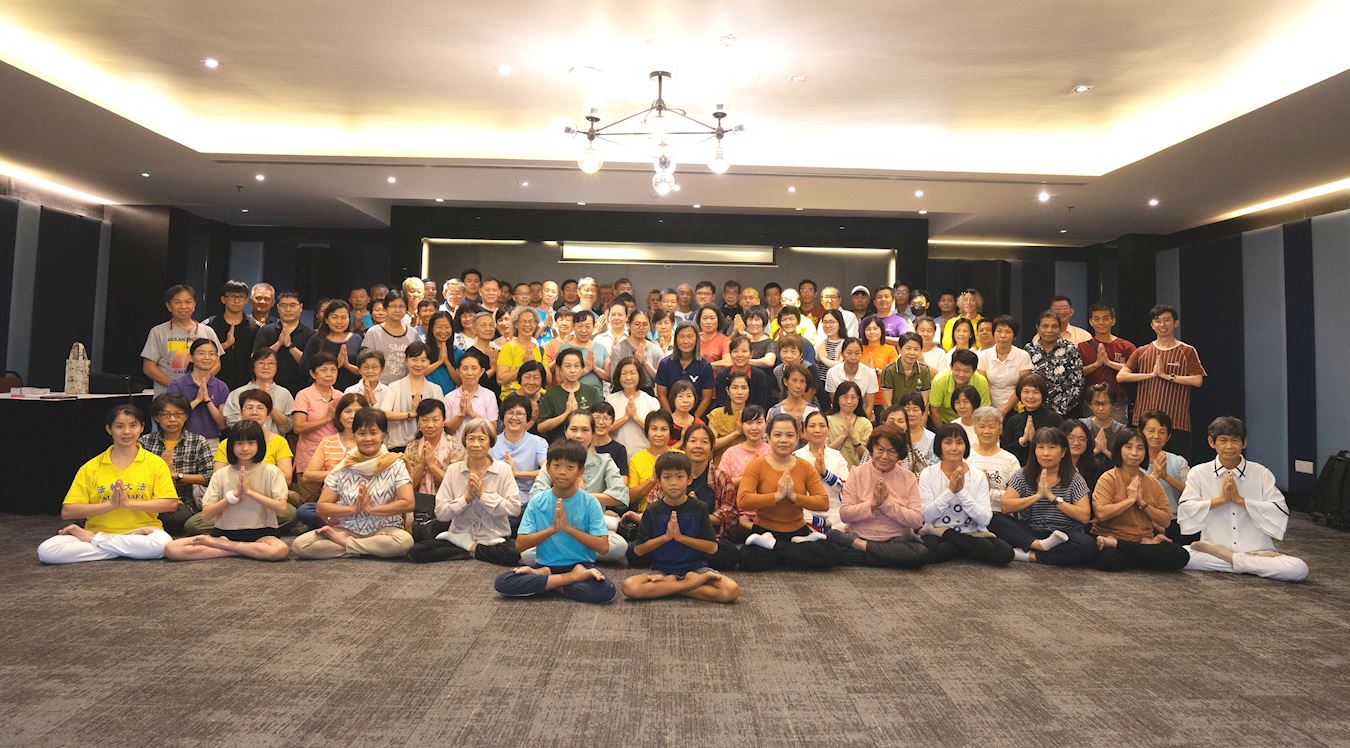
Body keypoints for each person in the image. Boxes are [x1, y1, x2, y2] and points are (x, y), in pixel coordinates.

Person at [37, 405, 177, 564]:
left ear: (142, 428)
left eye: (133, 425)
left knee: (161, 544)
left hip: (143, 532)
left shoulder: (155, 464)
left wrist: (128, 504)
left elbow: (170, 504)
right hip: (99, 531)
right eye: (119, 426)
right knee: (47, 551)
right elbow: (68, 511)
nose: (127, 432)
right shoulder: (91, 467)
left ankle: (98, 542)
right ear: (109, 429)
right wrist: (111, 505)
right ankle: (123, 548)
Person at [1178, 417, 1308, 582]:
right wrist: (1221, 500)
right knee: (1181, 556)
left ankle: (1229, 559)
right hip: (1213, 549)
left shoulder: (1261, 473)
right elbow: (1185, 509)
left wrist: (1241, 501)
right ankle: (1248, 564)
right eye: (1223, 440)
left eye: (1235, 440)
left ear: (1244, 443)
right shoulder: (1199, 473)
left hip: (1257, 551)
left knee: (1298, 569)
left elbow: (1280, 510)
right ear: (1212, 442)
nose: (1229, 446)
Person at [492, 439, 618, 604]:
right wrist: (552, 529)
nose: (562, 472)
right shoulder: (537, 502)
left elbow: (603, 547)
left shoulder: (590, 502)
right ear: (548, 468)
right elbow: (520, 545)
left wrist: (568, 528)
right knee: (503, 582)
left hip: (581, 565)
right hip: (547, 565)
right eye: (557, 466)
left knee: (606, 591)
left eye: (570, 467)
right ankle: (569, 579)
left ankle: (548, 582)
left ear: (580, 471)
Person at [292, 408, 416, 559]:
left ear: (383, 434)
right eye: (362, 433)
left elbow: (408, 503)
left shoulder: (395, 464)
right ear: (354, 434)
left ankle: (346, 545)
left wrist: (372, 509)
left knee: (404, 542)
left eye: (373, 433)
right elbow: (321, 507)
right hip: (348, 529)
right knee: (300, 545)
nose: (367, 438)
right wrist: (353, 509)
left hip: (385, 529)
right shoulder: (344, 466)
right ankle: (367, 548)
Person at [623, 452, 743, 603]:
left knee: (732, 590)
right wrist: (665, 537)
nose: (673, 482)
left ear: (689, 479)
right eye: (667, 477)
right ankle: (688, 585)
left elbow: (712, 548)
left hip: (696, 569)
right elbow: (639, 550)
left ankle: (670, 588)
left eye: (679, 477)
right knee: (629, 587)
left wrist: (681, 538)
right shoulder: (653, 510)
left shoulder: (699, 508)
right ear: (658, 481)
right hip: (663, 570)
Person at [163, 421, 291, 562]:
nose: (245, 448)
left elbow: (281, 509)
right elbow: (206, 515)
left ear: (259, 444)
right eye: (239, 443)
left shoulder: (271, 471)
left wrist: (250, 492)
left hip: (263, 534)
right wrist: (232, 497)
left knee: (280, 550)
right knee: (172, 549)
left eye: (251, 443)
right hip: (225, 534)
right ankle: (246, 550)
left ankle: (227, 548)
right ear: (231, 445)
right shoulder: (220, 474)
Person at [407, 417, 522, 565]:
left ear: (490, 442)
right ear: (465, 441)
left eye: (481, 439)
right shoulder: (453, 470)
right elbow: (441, 513)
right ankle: (477, 550)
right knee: (417, 551)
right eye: (471, 439)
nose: (476, 444)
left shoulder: (503, 470)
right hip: (459, 534)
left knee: (512, 554)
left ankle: (469, 549)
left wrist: (483, 496)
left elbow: (514, 508)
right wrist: (465, 499)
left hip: (494, 537)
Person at [736, 414, 840, 571]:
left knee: (832, 554)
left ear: (797, 438)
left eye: (790, 435)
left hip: (797, 531)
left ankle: (775, 547)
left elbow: (823, 503)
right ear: (768, 438)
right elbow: (743, 500)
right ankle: (794, 551)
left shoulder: (805, 467)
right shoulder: (756, 465)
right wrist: (777, 496)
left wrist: (793, 496)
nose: (783, 440)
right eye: (778, 435)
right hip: (764, 531)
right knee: (747, 559)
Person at [526, 410, 629, 564]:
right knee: (527, 554)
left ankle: (564, 556)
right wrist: (569, 498)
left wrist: (581, 497)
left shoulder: (604, 461)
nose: (579, 435)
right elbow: (535, 495)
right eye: (573, 429)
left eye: (585, 430)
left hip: (590, 528)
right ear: (565, 431)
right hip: (555, 527)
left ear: (593, 434)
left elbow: (621, 495)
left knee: (619, 546)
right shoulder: (554, 461)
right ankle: (579, 555)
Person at [989, 427, 1097, 566]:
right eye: (1041, 447)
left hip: (1063, 534)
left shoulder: (1074, 478)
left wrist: (1053, 498)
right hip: (1030, 530)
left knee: (1087, 545)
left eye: (1052, 447)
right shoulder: (1023, 474)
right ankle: (1037, 545)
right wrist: (1038, 496)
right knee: (992, 518)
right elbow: (1005, 506)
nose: (1046, 453)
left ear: (1063, 452)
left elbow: (1084, 516)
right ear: (1034, 451)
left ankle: (1032, 555)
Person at [1090, 428, 1190, 571]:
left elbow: (1165, 521)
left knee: (1181, 555)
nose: (1134, 453)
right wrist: (1130, 501)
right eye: (1128, 447)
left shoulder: (1152, 483)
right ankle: (1141, 551)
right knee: (1109, 560)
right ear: (1119, 449)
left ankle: (1120, 545)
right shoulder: (1108, 478)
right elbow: (1101, 514)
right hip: (1109, 535)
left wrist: (1143, 504)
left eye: (1140, 448)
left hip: (1141, 539)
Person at [918, 423, 1015, 565]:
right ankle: (967, 550)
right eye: (948, 442)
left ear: (966, 446)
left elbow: (984, 519)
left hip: (972, 533)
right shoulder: (928, 474)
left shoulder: (978, 476)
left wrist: (961, 492)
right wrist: (950, 491)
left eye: (959, 443)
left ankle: (954, 544)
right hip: (937, 533)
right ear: (939, 446)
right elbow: (927, 516)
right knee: (925, 552)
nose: (954, 448)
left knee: (1005, 552)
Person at [1118, 305, 1206, 458]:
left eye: (1167, 320)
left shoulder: (1187, 350)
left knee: (1176, 465)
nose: (1162, 324)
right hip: (1144, 422)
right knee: (1142, 463)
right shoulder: (1142, 351)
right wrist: (1151, 375)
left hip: (1176, 421)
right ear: (1152, 325)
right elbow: (1121, 376)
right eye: (1157, 321)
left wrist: (1167, 376)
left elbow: (1197, 380)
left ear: (1175, 323)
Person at [141, 393, 213, 535]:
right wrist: (160, 475)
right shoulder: (145, 442)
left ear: (186, 416)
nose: (172, 419)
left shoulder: (198, 441)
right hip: (151, 500)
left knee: (178, 517)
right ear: (156, 417)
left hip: (182, 503)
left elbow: (209, 477)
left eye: (178, 414)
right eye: (166, 414)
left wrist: (175, 475)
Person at [296, 392, 367, 526]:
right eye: (347, 411)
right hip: (332, 503)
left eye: (358, 412)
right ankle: (342, 524)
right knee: (304, 510)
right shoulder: (328, 442)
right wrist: (340, 471)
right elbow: (308, 476)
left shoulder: (370, 441)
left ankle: (336, 525)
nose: (352, 416)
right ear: (339, 415)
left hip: (363, 500)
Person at [142, 284, 223, 394]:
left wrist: (200, 383)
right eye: (177, 302)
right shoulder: (158, 332)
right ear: (168, 306)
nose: (183, 306)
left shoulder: (207, 331)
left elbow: (217, 363)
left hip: (200, 394)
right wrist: (177, 386)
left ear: (194, 305)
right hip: (168, 397)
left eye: (188, 302)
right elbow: (149, 368)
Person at [404, 399, 466, 533]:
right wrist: (422, 465)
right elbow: (407, 486)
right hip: (418, 506)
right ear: (419, 423)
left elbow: (457, 485)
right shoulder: (411, 448)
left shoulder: (455, 446)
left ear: (443, 421)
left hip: (448, 505)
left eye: (435, 420)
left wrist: (432, 466)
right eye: (425, 420)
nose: (430, 425)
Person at [677, 423, 743, 548]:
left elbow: (729, 516)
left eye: (704, 442)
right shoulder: (672, 474)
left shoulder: (721, 477)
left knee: (729, 552)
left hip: (710, 539)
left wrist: (697, 514)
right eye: (693, 441)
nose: (698, 446)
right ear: (684, 446)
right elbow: (656, 505)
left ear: (712, 448)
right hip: (675, 535)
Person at [378, 342, 444, 451]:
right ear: (406, 361)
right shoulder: (395, 386)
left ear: (429, 362)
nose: (418, 364)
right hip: (398, 446)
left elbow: (441, 418)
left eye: (423, 360)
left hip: (429, 446)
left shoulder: (436, 389)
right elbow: (383, 414)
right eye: (414, 359)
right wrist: (411, 414)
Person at [1139, 410, 1192, 543]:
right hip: (1141, 520)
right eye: (1151, 431)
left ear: (1168, 437)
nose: (1156, 436)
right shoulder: (1132, 460)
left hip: (1173, 521)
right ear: (1141, 433)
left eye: (1162, 432)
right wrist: (1155, 475)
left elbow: (1191, 491)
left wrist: (1165, 476)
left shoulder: (1178, 461)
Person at [491, 394, 549, 511]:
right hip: (497, 500)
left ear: (528, 417)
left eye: (520, 413)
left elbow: (548, 470)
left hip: (528, 502)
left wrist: (518, 473)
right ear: (503, 416)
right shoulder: (491, 443)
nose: (514, 417)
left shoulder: (539, 442)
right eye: (510, 413)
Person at [165, 338, 229, 445]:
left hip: (211, 442)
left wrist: (208, 401)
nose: (207, 357)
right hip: (181, 441)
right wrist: (197, 400)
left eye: (212, 354)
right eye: (201, 353)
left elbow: (223, 425)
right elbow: (173, 417)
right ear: (190, 357)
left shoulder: (221, 387)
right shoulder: (177, 385)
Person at [1078, 304, 1135, 423]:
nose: (1101, 322)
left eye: (1105, 318)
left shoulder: (1126, 346)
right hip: (1090, 403)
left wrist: (1109, 363)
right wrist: (1096, 364)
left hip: (1117, 404)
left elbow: (1135, 371)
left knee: (1118, 434)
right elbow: (1076, 374)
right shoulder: (1082, 347)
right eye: (1096, 319)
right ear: (1091, 322)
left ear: (1113, 321)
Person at [1024, 310, 1083, 417]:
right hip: (1034, 410)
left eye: (1054, 326)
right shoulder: (1029, 350)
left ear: (1060, 328)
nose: (1049, 330)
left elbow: (1077, 383)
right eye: (1045, 326)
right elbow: (1024, 381)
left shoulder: (1070, 349)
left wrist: (1058, 411)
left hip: (1065, 412)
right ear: (1038, 328)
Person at [222, 349, 293, 436]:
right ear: (253, 367)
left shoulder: (284, 393)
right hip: (245, 441)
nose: (266, 367)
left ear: (276, 367)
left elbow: (288, 426)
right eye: (261, 363)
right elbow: (233, 424)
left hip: (274, 442)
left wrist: (268, 404)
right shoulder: (238, 393)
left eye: (271, 363)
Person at [292, 352, 342, 476]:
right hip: (310, 455)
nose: (329, 374)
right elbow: (298, 427)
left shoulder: (341, 396)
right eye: (323, 370)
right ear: (313, 373)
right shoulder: (304, 395)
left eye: (333, 370)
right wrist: (327, 419)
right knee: (309, 488)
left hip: (336, 456)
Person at [536, 348, 602, 442]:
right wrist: (566, 414)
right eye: (568, 366)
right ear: (559, 369)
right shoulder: (550, 395)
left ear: (582, 369)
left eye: (576, 366)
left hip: (587, 445)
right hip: (559, 446)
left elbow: (599, 420)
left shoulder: (592, 392)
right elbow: (541, 427)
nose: (572, 370)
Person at [253, 291, 313, 395]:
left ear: (301, 307)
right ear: (277, 308)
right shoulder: (266, 331)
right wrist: (278, 344)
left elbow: (310, 365)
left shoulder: (309, 334)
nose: (288, 309)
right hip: (267, 387)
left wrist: (290, 346)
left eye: (292, 305)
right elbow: (255, 359)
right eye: (283, 306)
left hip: (299, 389)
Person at [796, 410, 850, 526]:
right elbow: (795, 491)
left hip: (834, 511)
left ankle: (823, 527)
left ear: (828, 429)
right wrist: (814, 474)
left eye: (822, 426)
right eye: (812, 426)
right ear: (804, 430)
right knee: (795, 514)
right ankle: (824, 526)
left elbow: (845, 487)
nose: (817, 430)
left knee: (847, 515)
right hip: (807, 511)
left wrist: (825, 474)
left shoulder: (837, 456)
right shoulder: (797, 456)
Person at [964, 406, 1022, 510]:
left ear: (1000, 429)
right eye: (982, 426)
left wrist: (987, 490)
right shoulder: (966, 458)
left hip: (1000, 514)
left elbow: (1016, 497)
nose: (986, 431)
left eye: (991, 426)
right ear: (975, 429)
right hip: (970, 513)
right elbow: (959, 491)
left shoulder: (1011, 460)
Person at [206, 280, 260, 389]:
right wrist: (225, 344)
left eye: (241, 297)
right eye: (232, 296)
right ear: (223, 299)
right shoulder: (209, 325)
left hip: (246, 386)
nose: (236, 300)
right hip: (213, 384)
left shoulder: (256, 327)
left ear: (246, 300)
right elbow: (201, 353)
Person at [655, 323, 715, 419]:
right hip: (670, 417)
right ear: (676, 339)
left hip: (696, 418)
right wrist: (671, 419)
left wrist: (693, 420)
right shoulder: (665, 364)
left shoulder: (705, 366)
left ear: (697, 339)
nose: (686, 341)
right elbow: (661, 395)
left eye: (690, 336)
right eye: (682, 336)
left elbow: (706, 398)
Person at [606, 357, 662, 459]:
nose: (628, 377)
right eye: (624, 373)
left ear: (640, 375)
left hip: (644, 456)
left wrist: (635, 417)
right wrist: (626, 417)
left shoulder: (651, 401)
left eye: (632, 373)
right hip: (616, 456)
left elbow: (656, 430)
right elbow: (605, 429)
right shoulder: (610, 400)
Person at [977, 315, 1033, 417]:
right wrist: (992, 411)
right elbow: (983, 386)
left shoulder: (1023, 356)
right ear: (993, 333)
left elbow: (1021, 386)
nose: (1003, 335)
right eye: (999, 331)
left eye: (1008, 332)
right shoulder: (983, 356)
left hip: (1016, 408)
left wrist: (1003, 411)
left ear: (1014, 336)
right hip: (988, 408)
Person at [1001, 373, 1063, 463]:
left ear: (1042, 394)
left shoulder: (1054, 419)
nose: (1030, 396)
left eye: (1035, 392)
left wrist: (1035, 440)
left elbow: (1060, 448)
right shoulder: (1013, 420)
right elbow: (1004, 452)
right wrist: (1022, 441)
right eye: (1026, 392)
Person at [359, 291, 419, 385]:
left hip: (405, 387)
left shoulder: (413, 333)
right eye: (393, 306)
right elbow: (364, 362)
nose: (397, 310)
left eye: (401, 306)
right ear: (386, 308)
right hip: (379, 387)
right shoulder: (374, 332)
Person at [627, 411, 681, 508]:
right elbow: (630, 497)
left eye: (664, 429)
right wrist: (652, 479)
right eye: (654, 429)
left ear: (670, 433)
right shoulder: (636, 459)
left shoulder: (681, 457)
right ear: (647, 432)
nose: (659, 434)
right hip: (645, 512)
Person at [444, 349, 498, 440]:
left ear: (481, 372)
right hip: (456, 447)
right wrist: (461, 414)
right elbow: (447, 430)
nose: (469, 373)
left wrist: (472, 413)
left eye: (474, 368)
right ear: (458, 372)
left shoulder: (489, 395)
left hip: (481, 447)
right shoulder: (449, 397)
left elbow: (492, 428)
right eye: (465, 368)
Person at [928, 349, 989, 427]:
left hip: (973, 424)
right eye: (957, 370)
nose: (961, 374)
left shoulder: (981, 382)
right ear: (951, 367)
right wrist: (943, 431)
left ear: (974, 371)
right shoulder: (939, 380)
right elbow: (934, 410)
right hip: (946, 423)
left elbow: (983, 410)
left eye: (966, 371)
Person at [714, 335, 773, 411]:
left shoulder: (759, 376)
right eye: (735, 351)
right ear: (730, 354)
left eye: (744, 351)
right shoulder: (722, 375)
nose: (740, 355)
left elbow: (761, 404)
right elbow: (721, 402)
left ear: (751, 354)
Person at [496, 306, 545, 400]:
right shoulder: (507, 348)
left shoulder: (539, 349)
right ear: (516, 324)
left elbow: (547, 379)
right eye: (523, 321)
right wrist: (524, 366)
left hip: (537, 397)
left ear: (536, 324)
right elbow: (500, 379)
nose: (527, 325)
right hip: (514, 398)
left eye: (531, 321)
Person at [707, 370, 752, 465]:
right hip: (721, 465)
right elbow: (711, 444)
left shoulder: (754, 415)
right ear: (728, 391)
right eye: (735, 388)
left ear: (749, 391)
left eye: (744, 388)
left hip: (749, 465)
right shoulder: (716, 414)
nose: (739, 392)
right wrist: (737, 433)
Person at [880, 332, 933, 413]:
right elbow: (887, 404)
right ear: (899, 349)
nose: (912, 353)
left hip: (916, 415)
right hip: (895, 415)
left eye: (916, 349)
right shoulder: (889, 370)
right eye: (908, 348)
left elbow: (924, 404)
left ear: (921, 351)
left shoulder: (924, 370)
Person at [824, 337, 880, 413]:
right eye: (849, 353)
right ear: (842, 354)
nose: (853, 357)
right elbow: (835, 403)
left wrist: (863, 420)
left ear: (862, 354)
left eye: (857, 353)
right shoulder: (832, 373)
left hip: (862, 414)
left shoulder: (870, 373)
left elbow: (868, 405)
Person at [607, 310, 662, 387]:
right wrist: (635, 362)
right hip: (623, 391)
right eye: (637, 324)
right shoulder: (619, 349)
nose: (641, 327)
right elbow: (614, 378)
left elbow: (661, 379)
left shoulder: (656, 349)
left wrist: (645, 363)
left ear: (650, 326)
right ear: (629, 325)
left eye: (645, 324)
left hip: (648, 392)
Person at [559, 310, 608, 393]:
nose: (583, 330)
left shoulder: (601, 348)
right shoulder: (564, 348)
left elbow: (609, 377)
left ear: (594, 327)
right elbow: (559, 379)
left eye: (588, 326)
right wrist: (585, 369)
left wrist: (595, 368)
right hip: (570, 395)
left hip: (596, 397)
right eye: (580, 326)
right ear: (573, 327)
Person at [859, 318, 897, 421]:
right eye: (868, 329)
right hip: (862, 399)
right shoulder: (859, 349)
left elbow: (893, 374)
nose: (872, 332)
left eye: (875, 328)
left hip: (883, 399)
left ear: (881, 330)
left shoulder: (890, 350)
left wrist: (874, 370)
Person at [828, 382, 873, 468]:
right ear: (837, 399)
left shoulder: (865, 423)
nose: (849, 401)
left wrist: (853, 437)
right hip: (832, 470)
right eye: (845, 397)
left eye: (853, 397)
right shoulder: (827, 421)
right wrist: (843, 436)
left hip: (858, 471)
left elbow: (868, 457)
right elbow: (823, 452)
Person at [1079, 383, 1127, 461]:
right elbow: (1074, 459)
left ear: (1112, 404)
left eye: (1105, 403)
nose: (1101, 408)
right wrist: (1096, 451)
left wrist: (1106, 451)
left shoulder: (1121, 430)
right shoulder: (1081, 425)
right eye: (1096, 403)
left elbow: (1124, 461)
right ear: (1090, 405)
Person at [891, 395, 937, 474]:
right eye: (907, 410)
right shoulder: (892, 436)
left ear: (923, 413)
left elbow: (933, 466)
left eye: (915, 410)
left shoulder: (932, 437)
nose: (911, 414)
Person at [813, 310, 847, 409]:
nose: (827, 325)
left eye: (831, 322)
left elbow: (840, 365)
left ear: (839, 324)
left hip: (837, 386)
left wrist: (823, 358)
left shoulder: (845, 343)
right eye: (825, 322)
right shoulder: (821, 343)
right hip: (820, 387)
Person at [421, 310, 460, 395]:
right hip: (427, 398)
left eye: (447, 327)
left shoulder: (457, 352)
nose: (443, 331)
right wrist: (439, 362)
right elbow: (418, 374)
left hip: (449, 399)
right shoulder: (422, 351)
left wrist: (447, 363)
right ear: (432, 328)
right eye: (439, 327)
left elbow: (460, 382)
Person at [1060, 419, 1104, 492]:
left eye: (1082, 439)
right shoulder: (1053, 465)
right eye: (1071, 438)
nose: (1076, 443)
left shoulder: (1096, 467)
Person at [695, 305, 731, 372]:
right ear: (699, 320)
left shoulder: (724, 340)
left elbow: (728, 362)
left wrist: (704, 366)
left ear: (718, 320)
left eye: (712, 318)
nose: (708, 322)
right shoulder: (694, 339)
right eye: (704, 318)